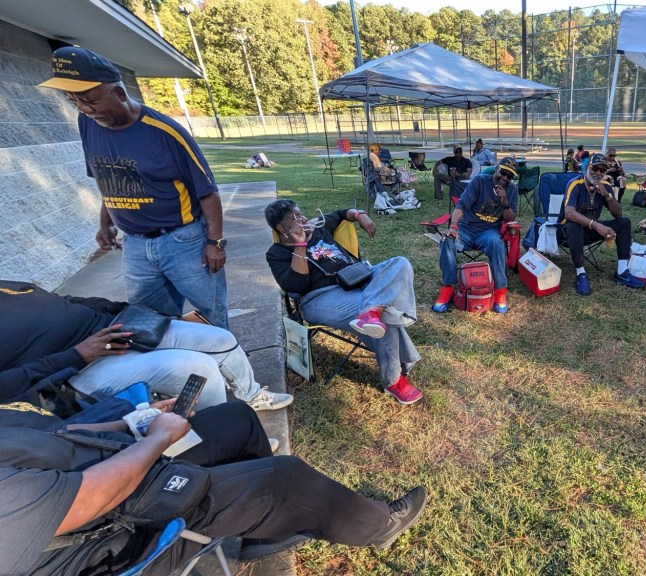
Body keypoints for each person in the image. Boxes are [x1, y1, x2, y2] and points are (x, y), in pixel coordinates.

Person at [0, 399, 427, 575]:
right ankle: (378, 526)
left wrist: (130, 423)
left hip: (112, 464)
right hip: (114, 530)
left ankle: (261, 532)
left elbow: (55, 434)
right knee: (284, 479)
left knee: (234, 418)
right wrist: (156, 440)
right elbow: (87, 500)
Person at [39, 46, 229, 329]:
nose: (84, 108)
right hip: (135, 245)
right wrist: (105, 223)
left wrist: (215, 244)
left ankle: (225, 355)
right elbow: (107, 179)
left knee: (212, 313)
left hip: (183, 242)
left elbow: (207, 192)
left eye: (89, 99)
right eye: (73, 100)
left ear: (118, 93)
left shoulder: (165, 133)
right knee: (147, 321)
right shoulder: (88, 124)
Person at [0, 280, 291, 411]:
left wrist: (124, 311)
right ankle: (221, 434)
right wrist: (76, 354)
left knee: (220, 338)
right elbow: (7, 387)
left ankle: (251, 395)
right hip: (76, 370)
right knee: (200, 368)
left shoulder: (8, 284)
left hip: (113, 328)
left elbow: (67, 302)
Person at [264, 201, 423, 405]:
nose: (302, 219)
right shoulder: (277, 254)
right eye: (294, 219)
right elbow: (297, 285)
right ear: (280, 228)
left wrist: (359, 215)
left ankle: (371, 311)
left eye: (301, 214)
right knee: (386, 314)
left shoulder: (318, 227)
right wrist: (300, 245)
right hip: (320, 297)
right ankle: (393, 381)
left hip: (358, 278)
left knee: (400, 263)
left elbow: (341, 214)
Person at [433, 157, 521, 314]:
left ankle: (500, 291)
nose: (505, 178)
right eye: (503, 172)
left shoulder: (512, 190)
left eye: (510, 176)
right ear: (496, 169)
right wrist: (453, 227)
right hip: (466, 229)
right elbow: (461, 206)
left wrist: (504, 202)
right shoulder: (480, 181)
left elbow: (509, 219)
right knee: (447, 240)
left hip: (488, 232)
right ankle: (448, 288)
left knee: (497, 244)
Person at [558, 153, 646, 296]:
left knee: (624, 222)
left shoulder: (605, 186)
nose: (598, 173)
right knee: (574, 225)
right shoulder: (575, 184)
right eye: (595, 168)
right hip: (565, 233)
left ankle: (622, 272)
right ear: (588, 167)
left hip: (588, 231)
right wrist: (596, 225)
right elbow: (569, 213)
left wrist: (607, 196)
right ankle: (581, 273)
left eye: (603, 170)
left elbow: (618, 214)